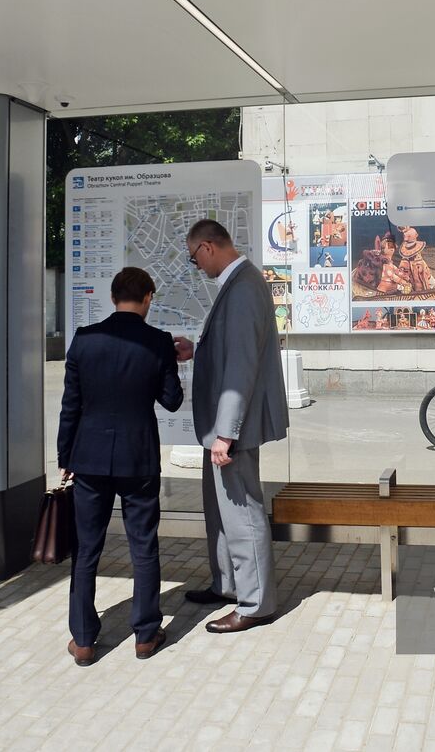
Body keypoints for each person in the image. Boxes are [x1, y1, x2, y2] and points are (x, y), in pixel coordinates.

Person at [58, 267, 183, 665]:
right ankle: (146, 635)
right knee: (143, 545)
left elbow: (70, 406)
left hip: (89, 459)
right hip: (138, 457)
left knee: (87, 549)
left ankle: (83, 641)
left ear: (113, 298)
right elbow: (172, 401)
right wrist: (171, 362)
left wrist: (65, 456)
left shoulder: (84, 341)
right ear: (147, 297)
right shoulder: (158, 342)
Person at [175, 220, 290, 633]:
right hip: (223, 428)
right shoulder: (241, 281)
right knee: (222, 511)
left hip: (231, 430)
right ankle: (227, 584)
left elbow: (242, 365)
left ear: (207, 248)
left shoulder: (242, 286)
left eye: (193, 258)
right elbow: (231, 348)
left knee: (242, 513)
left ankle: (256, 603)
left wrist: (227, 432)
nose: (196, 266)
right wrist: (197, 348)